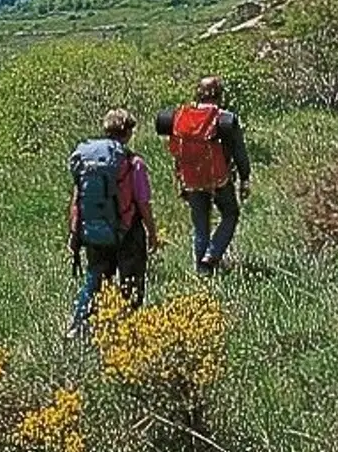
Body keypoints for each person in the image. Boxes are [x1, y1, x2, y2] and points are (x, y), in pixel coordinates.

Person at [67, 108, 159, 334]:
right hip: (128, 231)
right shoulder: (133, 163)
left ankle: (78, 326)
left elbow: (77, 199)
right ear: (128, 132)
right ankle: (129, 331)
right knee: (131, 282)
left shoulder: (87, 160)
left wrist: (74, 234)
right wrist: (152, 233)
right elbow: (143, 203)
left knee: (95, 278)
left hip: (95, 229)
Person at [156, 77, 251, 274]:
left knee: (200, 224)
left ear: (197, 93)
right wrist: (245, 178)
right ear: (219, 95)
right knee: (230, 214)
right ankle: (212, 255)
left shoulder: (180, 115)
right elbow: (239, 152)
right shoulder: (224, 118)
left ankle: (202, 270)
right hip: (218, 177)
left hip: (191, 178)